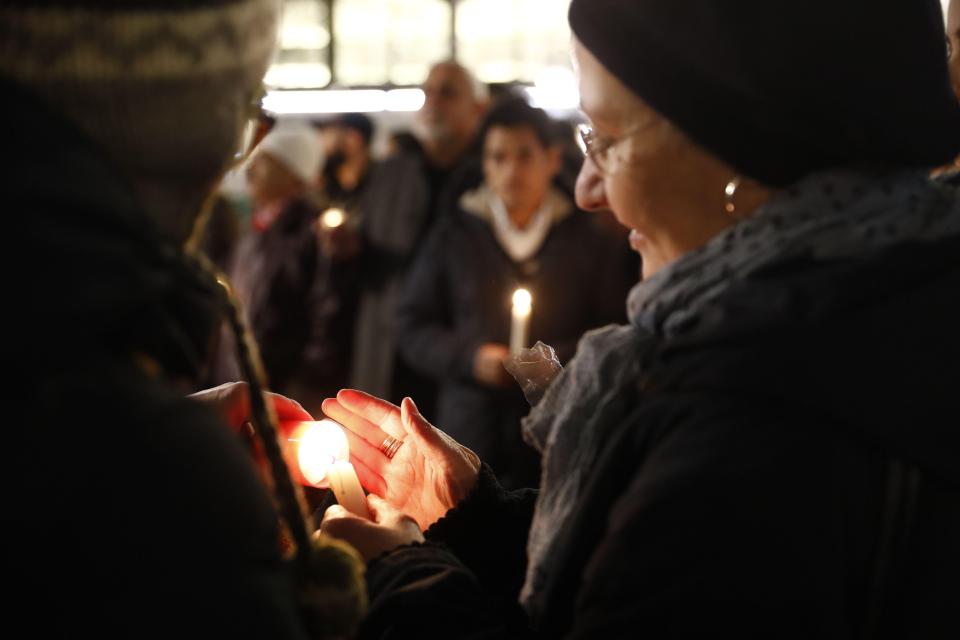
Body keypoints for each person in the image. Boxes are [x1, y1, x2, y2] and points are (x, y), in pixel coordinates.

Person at [317, 1, 960, 637]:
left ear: (738, 156)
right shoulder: (874, 318)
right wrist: (473, 520)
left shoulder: (752, 419)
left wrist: (404, 579)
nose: (587, 188)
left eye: (607, 139)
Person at [4, 1, 364, 637]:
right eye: (249, 106)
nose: (249, 152)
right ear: (186, 131)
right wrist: (391, 576)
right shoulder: (159, 468)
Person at [395, 97, 633, 489]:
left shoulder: (587, 239)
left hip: (558, 433)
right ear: (483, 164)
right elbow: (411, 324)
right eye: (497, 157)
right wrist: (470, 359)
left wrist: (552, 362)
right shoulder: (454, 234)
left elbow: (613, 328)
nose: (511, 171)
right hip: (470, 433)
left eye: (525, 156)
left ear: (552, 160)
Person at [343, 61, 489, 413]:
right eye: (429, 91)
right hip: (388, 345)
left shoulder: (490, 175)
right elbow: (367, 258)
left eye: (448, 92)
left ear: (478, 109)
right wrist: (348, 250)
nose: (434, 100)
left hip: (458, 352)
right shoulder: (391, 173)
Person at [216, 124, 348, 415]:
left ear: (294, 176)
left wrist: (303, 385)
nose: (251, 169)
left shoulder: (313, 234)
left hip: (286, 391)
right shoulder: (255, 232)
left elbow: (327, 314)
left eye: (266, 161)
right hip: (243, 378)